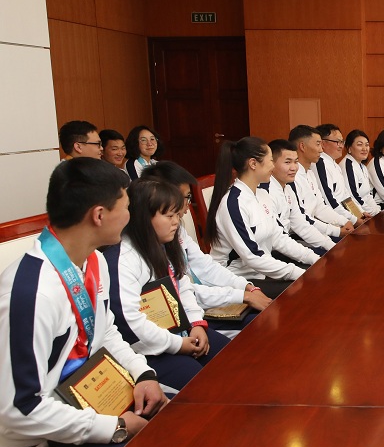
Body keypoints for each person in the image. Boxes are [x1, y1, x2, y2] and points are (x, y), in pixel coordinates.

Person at [0, 159, 166, 447]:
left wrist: (142, 374)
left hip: (88, 405)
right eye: (126, 206)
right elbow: (19, 408)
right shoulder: (32, 293)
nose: (130, 215)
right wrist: (113, 426)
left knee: (177, 427)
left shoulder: (94, 261)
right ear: (99, 215)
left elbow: (105, 332)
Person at [106, 179, 230, 392]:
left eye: (177, 215)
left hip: (180, 331)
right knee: (198, 379)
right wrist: (178, 345)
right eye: (169, 216)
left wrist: (196, 324)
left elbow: (183, 287)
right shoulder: (123, 259)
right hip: (147, 348)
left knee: (228, 355)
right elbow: (131, 323)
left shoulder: (164, 246)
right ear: (144, 218)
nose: (176, 222)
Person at [139, 161, 272, 332]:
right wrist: (242, 295)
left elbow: (206, 266)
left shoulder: (177, 230)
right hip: (186, 316)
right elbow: (181, 291)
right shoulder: (147, 245)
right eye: (185, 197)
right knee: (258, 325)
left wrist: (246, 287)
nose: (187, 205)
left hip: (204, 301)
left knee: (262, 317)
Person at [207, 137, 319, 298]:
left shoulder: (262, 194)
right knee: (304, 287)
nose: (273, 166)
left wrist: (314, 258)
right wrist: (297, 272)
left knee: (313, 274)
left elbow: (278, 237)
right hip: (236, 280)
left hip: (259, 273)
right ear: (253, 164)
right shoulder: (233, 203)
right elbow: (252, 256)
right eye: (271, 160)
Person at [260, 140, 337, 253]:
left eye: (296, 162)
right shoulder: (265, 192)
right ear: (272, 164)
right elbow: (278, 239)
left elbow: (301, 224)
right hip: (271, 250)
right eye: (287, 162)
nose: (294, 168)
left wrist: (331, 245)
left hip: (286, 242)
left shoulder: (288, 189)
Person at [289, 125, 354, 234]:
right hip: (299, 234)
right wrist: (336, 231)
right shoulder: (292, 177)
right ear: (302, 146)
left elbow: (320, 207)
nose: (321, 149)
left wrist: (345, 221)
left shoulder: (309, 173)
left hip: (314, 229)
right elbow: (303, 220)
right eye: (318, 144)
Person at [314, 124, 360, 227]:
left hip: (345, 218)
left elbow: (345, 195)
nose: (341, 146)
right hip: (332, 222)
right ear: (323, 143)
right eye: (337, 142)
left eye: (342, 142)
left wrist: (359, 214)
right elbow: (329, 200)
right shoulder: (320, 164)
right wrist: (354, 220)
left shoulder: (335, 164)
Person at [341, 129, 380, 215]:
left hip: (367, 211)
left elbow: (368, 195)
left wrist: (376, 211)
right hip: (357, 213)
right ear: (349, 148)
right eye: (359, 144)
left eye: (367, 145)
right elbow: (352, 196)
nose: (364, 148)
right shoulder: (348, 166)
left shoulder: (363, 166)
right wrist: (371, 213)